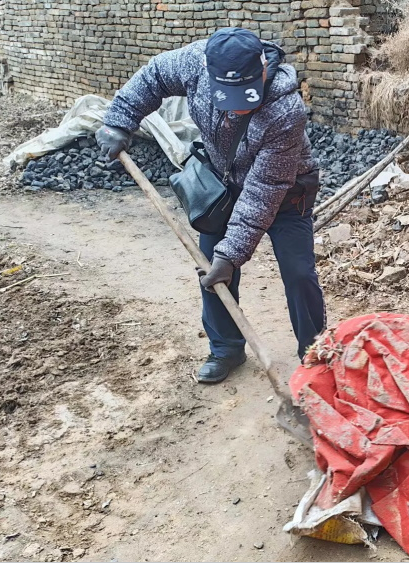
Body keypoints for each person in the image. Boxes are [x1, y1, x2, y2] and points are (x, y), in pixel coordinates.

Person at [96, 28, 326, 383]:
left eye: (246, 96)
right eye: (228, 97)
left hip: (286, 190)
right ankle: (226, 349)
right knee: (212, 270)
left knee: (299, 273)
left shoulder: (285, 110)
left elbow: (265, 187)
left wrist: (232, 254)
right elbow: (153, 77)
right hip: (223, 184)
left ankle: (315, 354)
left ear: (263, 70)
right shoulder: (194, 62)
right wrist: (118, 121)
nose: (237, 108)